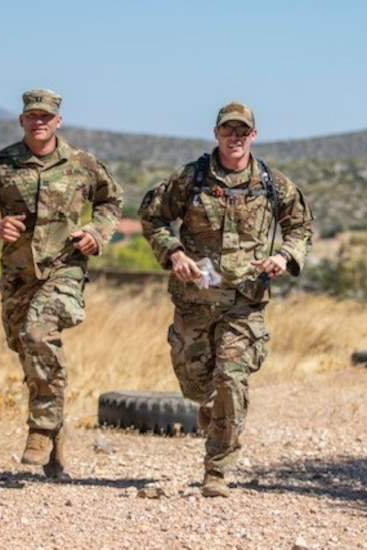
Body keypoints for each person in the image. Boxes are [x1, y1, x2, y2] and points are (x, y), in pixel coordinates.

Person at [138, 101, 314, 497]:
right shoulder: (191, 178)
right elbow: (152, 216)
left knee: (231, 378)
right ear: (216, 133)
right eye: (227, 130)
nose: (235, 138)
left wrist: (284, 256)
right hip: (194, 300)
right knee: (196, 385)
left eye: (242, 131)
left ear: (253, 135)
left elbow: (301, 226)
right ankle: (210, 406)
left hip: (245, 300)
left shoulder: (272, 182)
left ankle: (217, 468)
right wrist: (174, 253)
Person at [0, 89, 123, 478]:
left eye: (46, 116)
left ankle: (40, 429)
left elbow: (111, 202)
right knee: (29, 353)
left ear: (58, 121)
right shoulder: (1, 165)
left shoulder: (82, 163)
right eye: (32, 116)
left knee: (37, 335)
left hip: (64, 269)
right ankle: (55, 444)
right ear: (22, 121)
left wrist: (97, 231)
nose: (39, 122)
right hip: (18, 275)